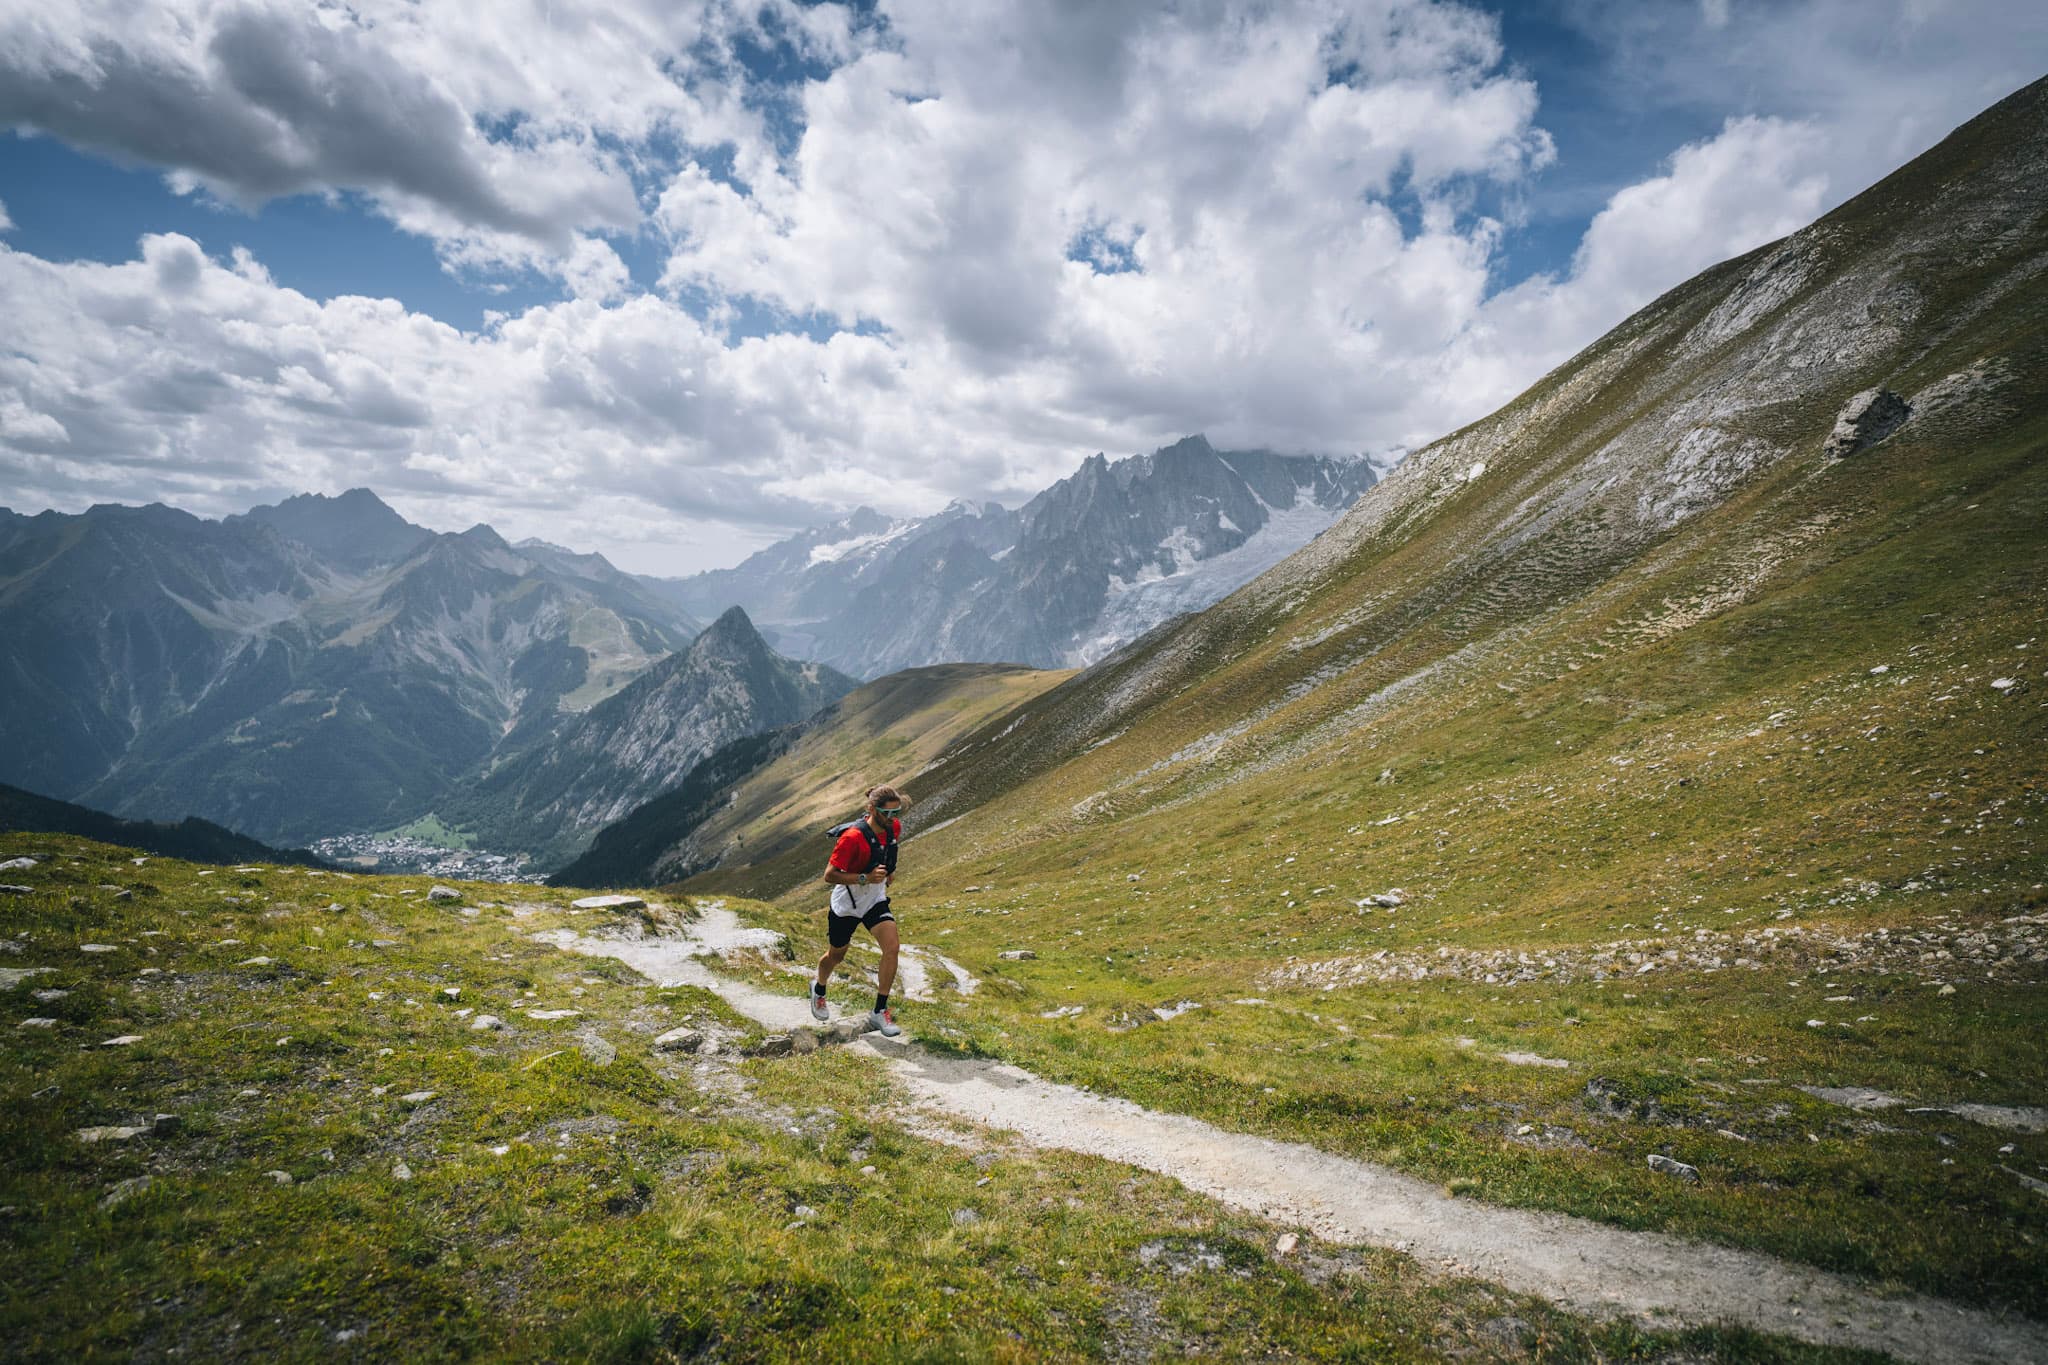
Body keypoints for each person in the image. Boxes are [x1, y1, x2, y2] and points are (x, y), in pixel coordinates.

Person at [811, 784, 907, 1036]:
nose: (891, 819)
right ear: (871, 809)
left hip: (874, 899)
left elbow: (887, 852)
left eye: (895, 813)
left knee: (892, 947)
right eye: (886, 813)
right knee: (836, 955)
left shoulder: (893, 827)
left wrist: (889, 872)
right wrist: (865, 878)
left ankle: (879, 1010)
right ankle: (819, 988)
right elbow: (829, 876)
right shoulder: (852, 838)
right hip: (847, 902)